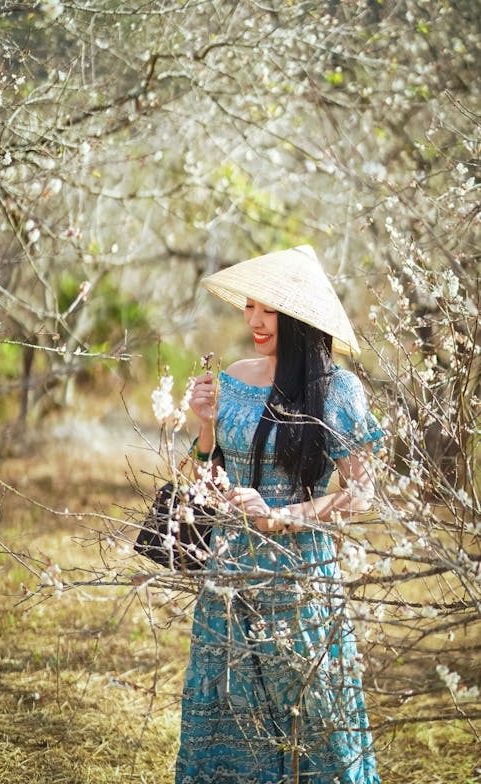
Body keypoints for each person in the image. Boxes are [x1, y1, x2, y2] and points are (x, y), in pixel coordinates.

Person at [175, 246, 383, 784]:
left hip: (302, 579)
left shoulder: (338, 391)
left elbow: (361, 493)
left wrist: (282, 515)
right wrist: (205, 425)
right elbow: (205, 486)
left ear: (296, 315)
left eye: (267, 309)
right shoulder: (237, 378)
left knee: (322, 727)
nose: (253, 320)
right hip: (229, 577)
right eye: (249, 307)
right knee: (229, 721)